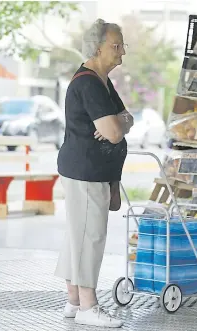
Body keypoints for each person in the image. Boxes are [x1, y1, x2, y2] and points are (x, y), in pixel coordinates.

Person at [55, 18, 134, 328]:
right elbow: (114, 131)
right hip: (85, 172)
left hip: (87, 171)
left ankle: (74, 301)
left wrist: (122, 121)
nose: (122, 53)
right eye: (117, 46)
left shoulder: (101, 80)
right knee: (91, 237)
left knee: (78, 235)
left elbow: (124, 118)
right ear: (98, 47)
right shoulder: (89, 82)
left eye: (123, 45)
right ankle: (89, 306)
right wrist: (120, 123)